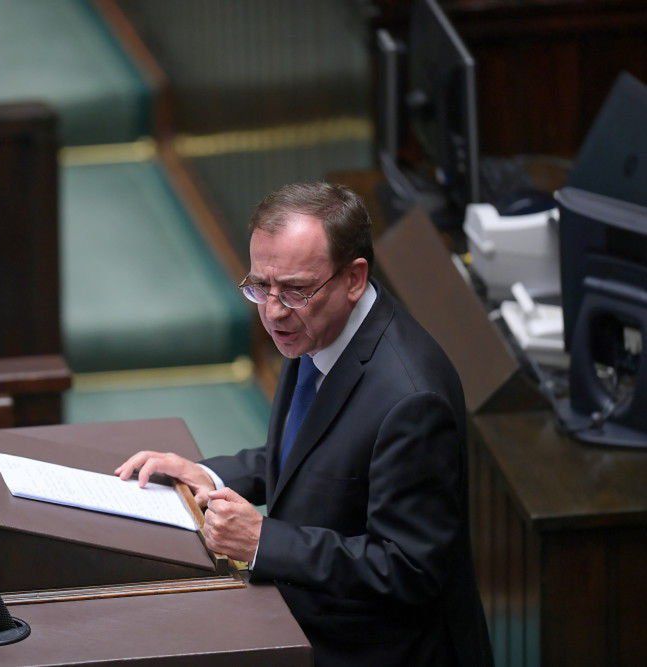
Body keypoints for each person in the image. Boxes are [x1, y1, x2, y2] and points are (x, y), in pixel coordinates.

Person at [115, 182, 492, 667]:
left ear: (354, 278)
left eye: (293, 289)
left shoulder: (411, 400)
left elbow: (408, 568)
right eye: (259, 286)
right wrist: (205, 476)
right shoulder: (318, 325)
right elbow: (311, 452)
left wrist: (264, 541)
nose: (272, 310)